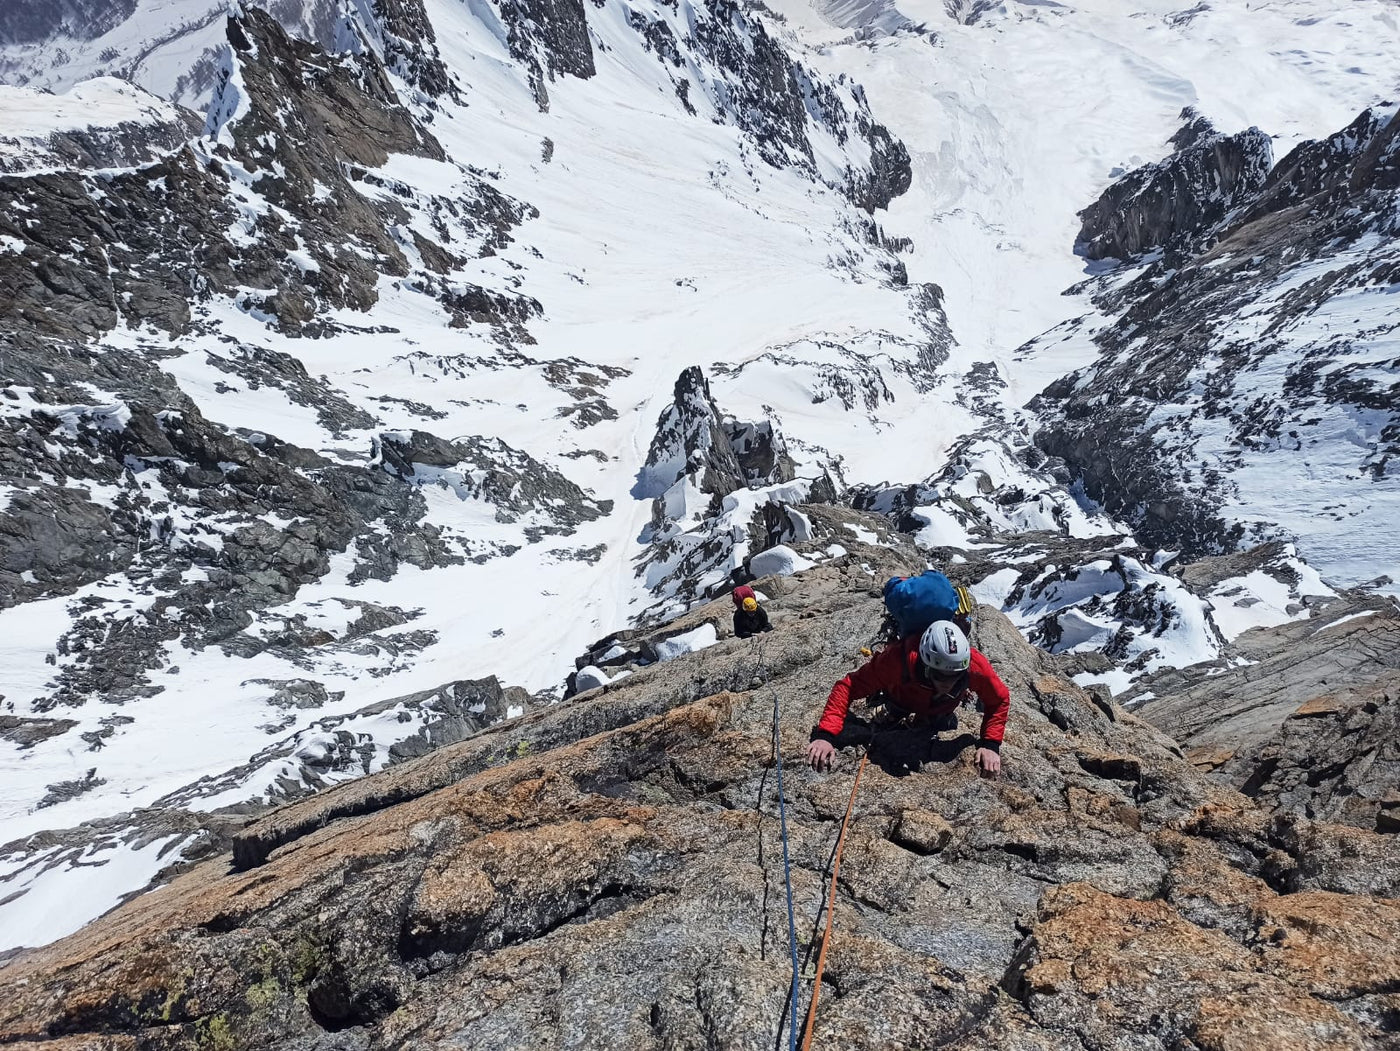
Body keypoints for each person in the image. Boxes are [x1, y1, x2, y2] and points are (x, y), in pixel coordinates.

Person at [806, 620, 1008, 778]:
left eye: (956, 676)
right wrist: (825, 735)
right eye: (940, 675)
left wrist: (990, 744)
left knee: (932, 721)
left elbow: (999, 700)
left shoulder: (975, 667)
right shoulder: (896, 660)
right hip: (901, 699)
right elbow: (848, 686)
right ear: (926, 664)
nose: (948, 683)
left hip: (938, 707)